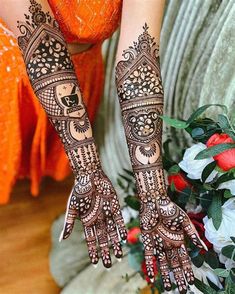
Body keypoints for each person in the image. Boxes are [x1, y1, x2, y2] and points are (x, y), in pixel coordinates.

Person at [0, 1, 207, 293]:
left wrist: (152, 190)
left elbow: (139, 63)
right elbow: (41, 41)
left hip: (80, 80)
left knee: (44, 155)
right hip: (12, 72)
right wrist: (87, 168)